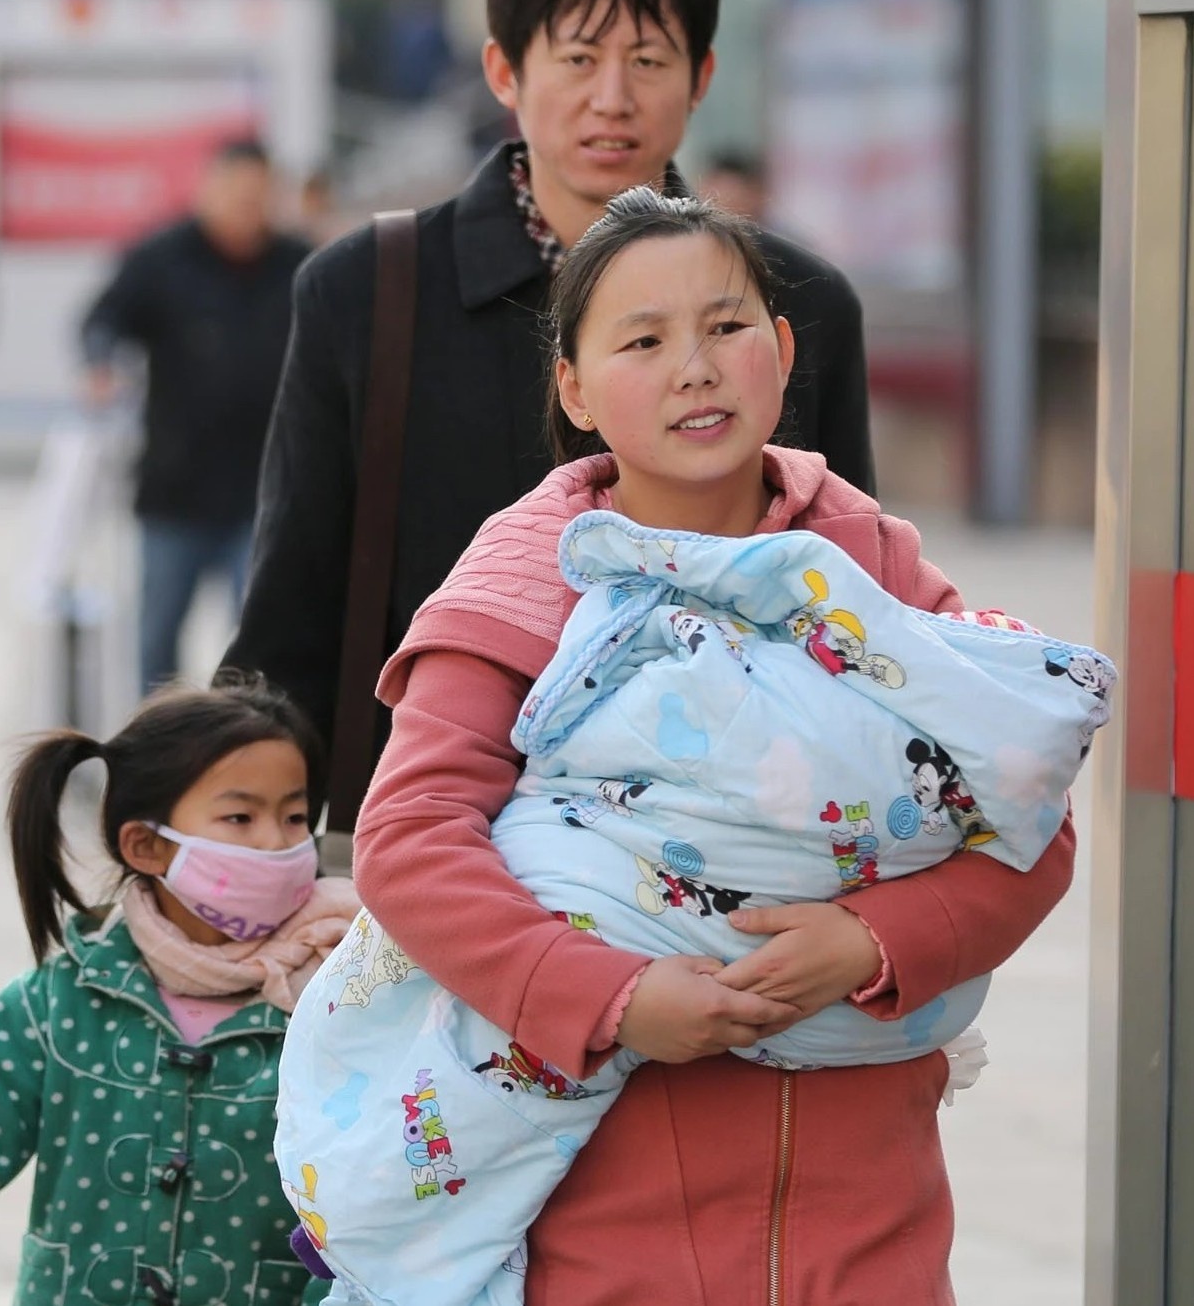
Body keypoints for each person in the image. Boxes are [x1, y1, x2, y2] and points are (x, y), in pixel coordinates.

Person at [275, 190, 1109, 1303]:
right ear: (573, 389)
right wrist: (610, 997)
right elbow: (411, 837)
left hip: (873, 1219)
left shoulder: (870, 566)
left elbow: (1027, 817)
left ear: (784, 349)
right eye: (643, 341)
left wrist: (870, 939)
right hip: (609, 1234)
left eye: (726, 326)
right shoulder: (528, 577)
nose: (696, 368)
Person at [223, 0, 876, 824]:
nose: (611, 97)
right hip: (436, 826)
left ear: (700, 76)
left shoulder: (798, 305)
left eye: (648, 60)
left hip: (722, 840)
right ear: (504, 71)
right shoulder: (368, 291)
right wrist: (244, 831)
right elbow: (292, 610)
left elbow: (851, 601)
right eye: (576, 59)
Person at [0, 677, 358, 1303]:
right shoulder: (67, 997)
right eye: (241, 817)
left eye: (294, 817)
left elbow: (379, 1189)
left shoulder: (344, 994)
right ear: (146, 846)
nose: (278, 842)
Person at [83, 140, 311, 690]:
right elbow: (103, 319)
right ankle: (156, 738)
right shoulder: (161, 258)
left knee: (261, 644)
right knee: (157, 639)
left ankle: (247, 736)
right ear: (208, 192)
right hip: (175, 489)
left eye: (258, 198)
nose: (246, 210)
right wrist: (100, 364)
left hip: (266, 492)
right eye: (235, 196)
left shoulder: (299, 265)